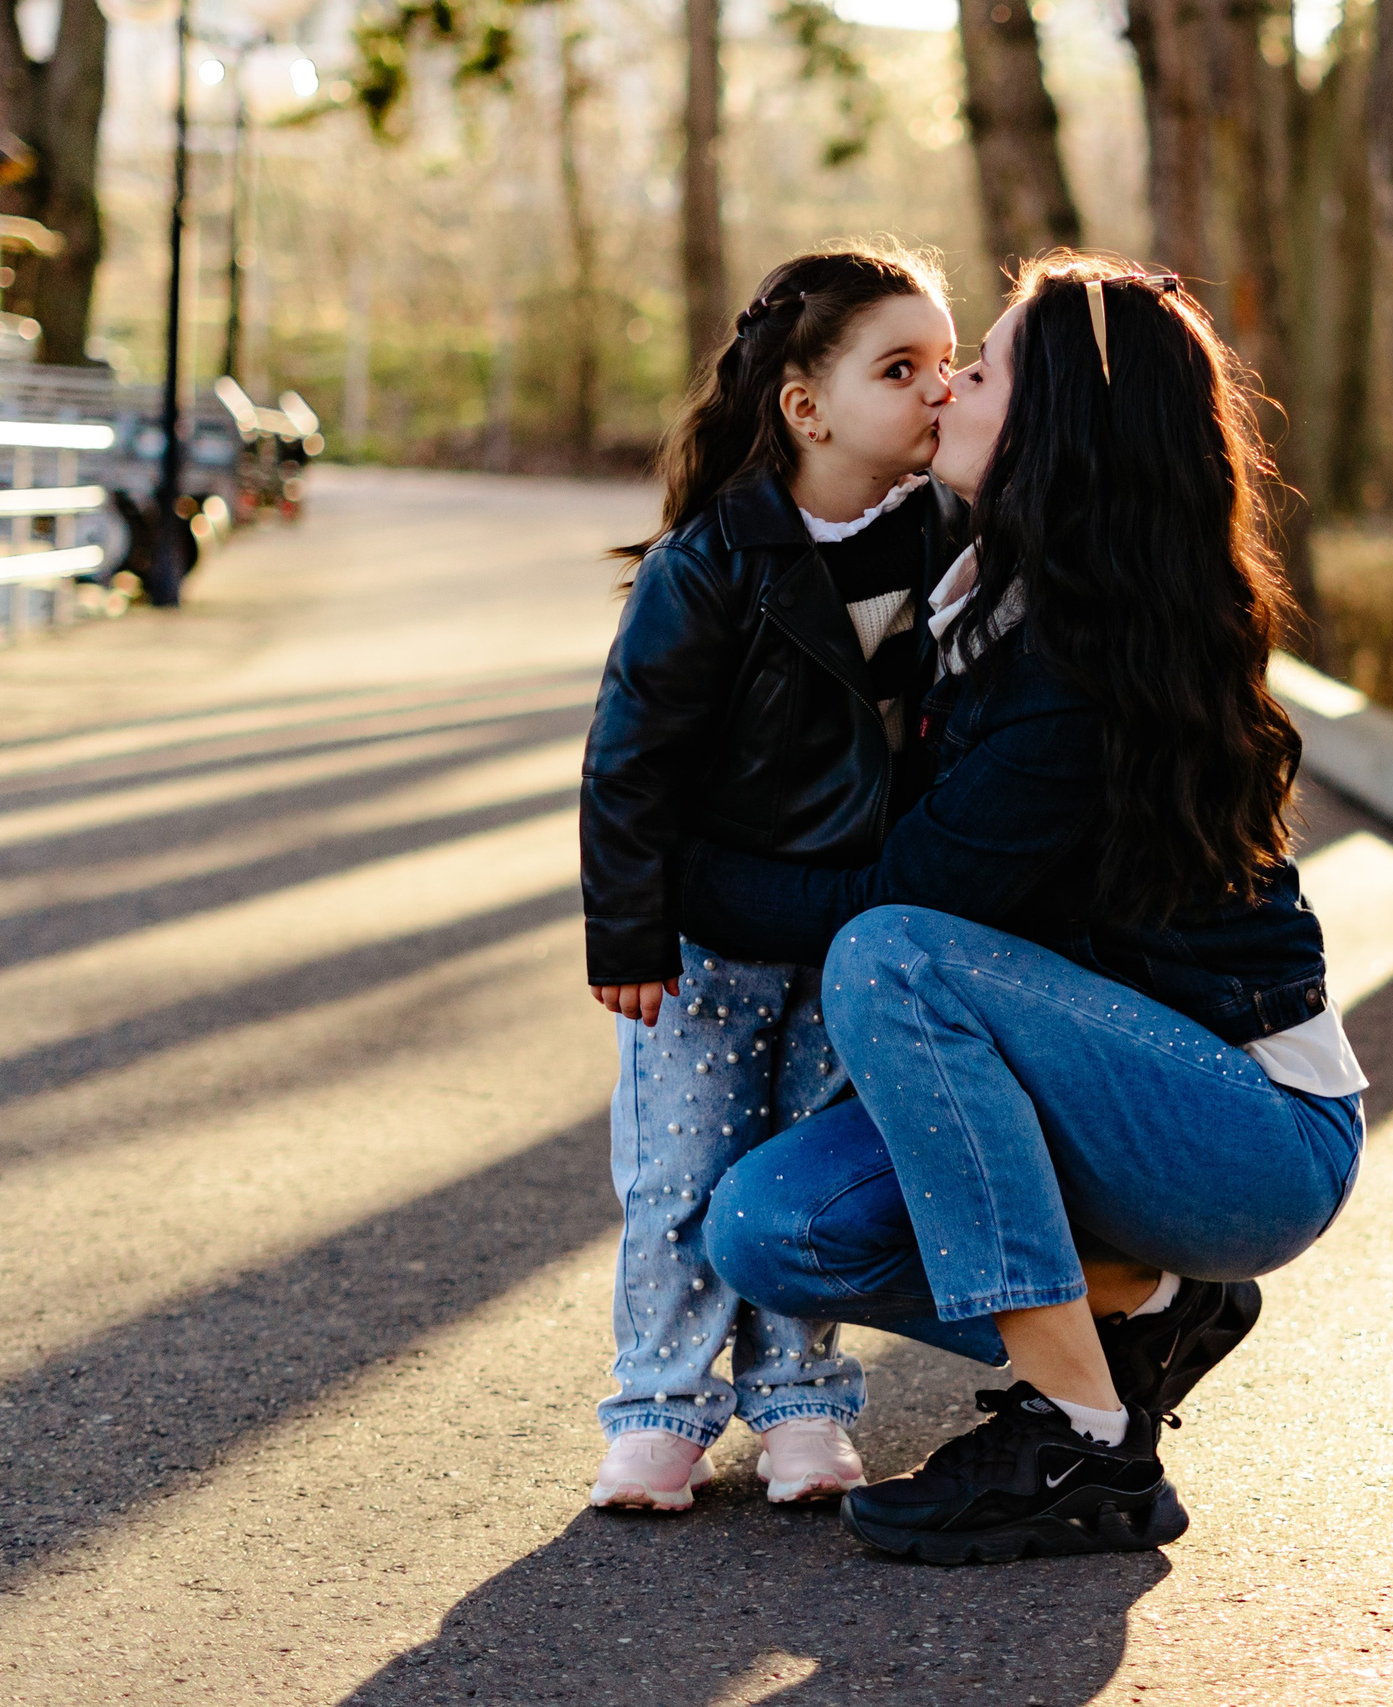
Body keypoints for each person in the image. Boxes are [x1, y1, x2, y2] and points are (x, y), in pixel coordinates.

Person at [677, 254, 1368, 1563]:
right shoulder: (993, 587)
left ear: (1049, 425)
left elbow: (898, 904)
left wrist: (682, 877)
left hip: (1253, 1129)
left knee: (892, 953)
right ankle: (1152, 1298)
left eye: (979, 369)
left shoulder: (1080, 666)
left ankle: (1085, 1441)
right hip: (1115, 1101)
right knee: (772, 1225)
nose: (947, 383)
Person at [577, 244, 964, 1511]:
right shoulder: (715, 563)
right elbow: (629, 762)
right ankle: (660, 1409)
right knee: (683, 1174)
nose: (936, 391)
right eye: (899, 368)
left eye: (948, 366)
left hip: (851, 938)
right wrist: (629, 932)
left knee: (803, 1168)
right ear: (806, 407)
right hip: (701, 941)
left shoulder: (948, 537)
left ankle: (798, 1402)